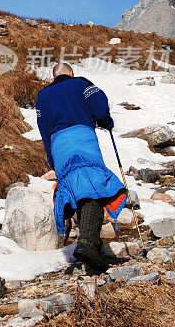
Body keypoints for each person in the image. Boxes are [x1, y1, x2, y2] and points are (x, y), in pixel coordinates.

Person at [35, 62, 127, 272]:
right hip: (82, 139)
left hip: (59, 146)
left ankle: (90, 245)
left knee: (77, 188)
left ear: (53, 77)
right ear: (71, 73)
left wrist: (52, 158)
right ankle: (87, 243)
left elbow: (43, 129)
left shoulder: (43, 96)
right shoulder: (81, 84)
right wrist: (106, 121)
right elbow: (99, 101)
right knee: (93, 188)